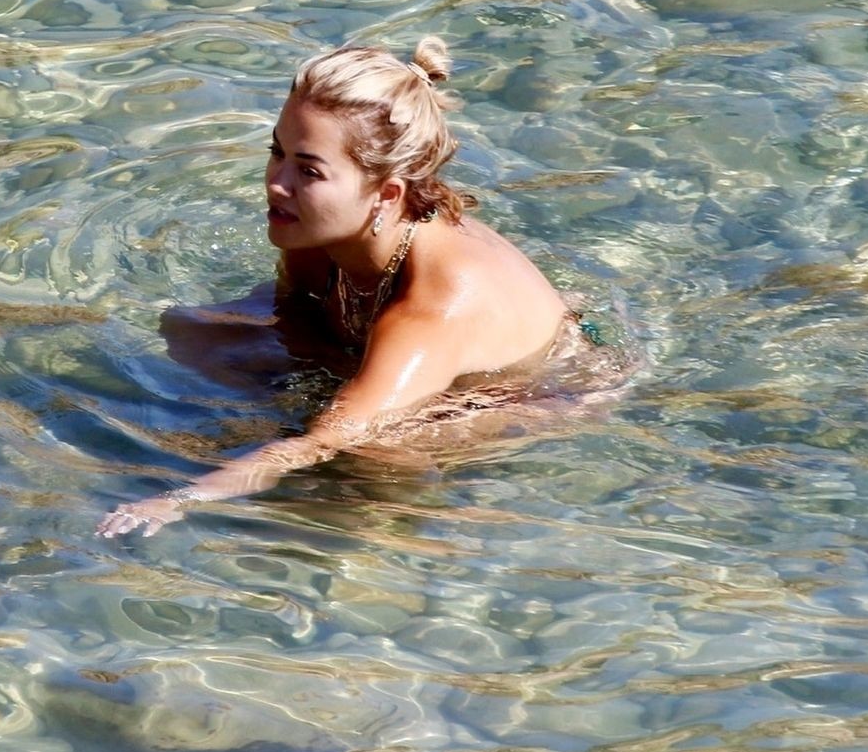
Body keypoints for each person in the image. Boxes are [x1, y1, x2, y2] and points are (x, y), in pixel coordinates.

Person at [99, 38, 630, 538]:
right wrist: (296, 393)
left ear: (387, 193)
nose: (277, 183)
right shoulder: (314, 226)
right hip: (400, 340)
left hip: (542, 391)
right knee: (193, 330)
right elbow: (291, 315)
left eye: (309, 171)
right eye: (277, 152)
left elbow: (328, 438)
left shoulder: (432, 309)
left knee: (374, 456)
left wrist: (180, 499)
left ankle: (405, 544)